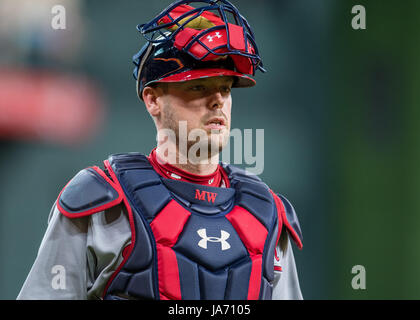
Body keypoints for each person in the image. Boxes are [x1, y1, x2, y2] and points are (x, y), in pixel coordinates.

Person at [17, 0, 303, 300]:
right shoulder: (102, 202)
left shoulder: (267, 214)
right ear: (153, 100)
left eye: (225, 88)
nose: (217, 100)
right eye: (198, 87)